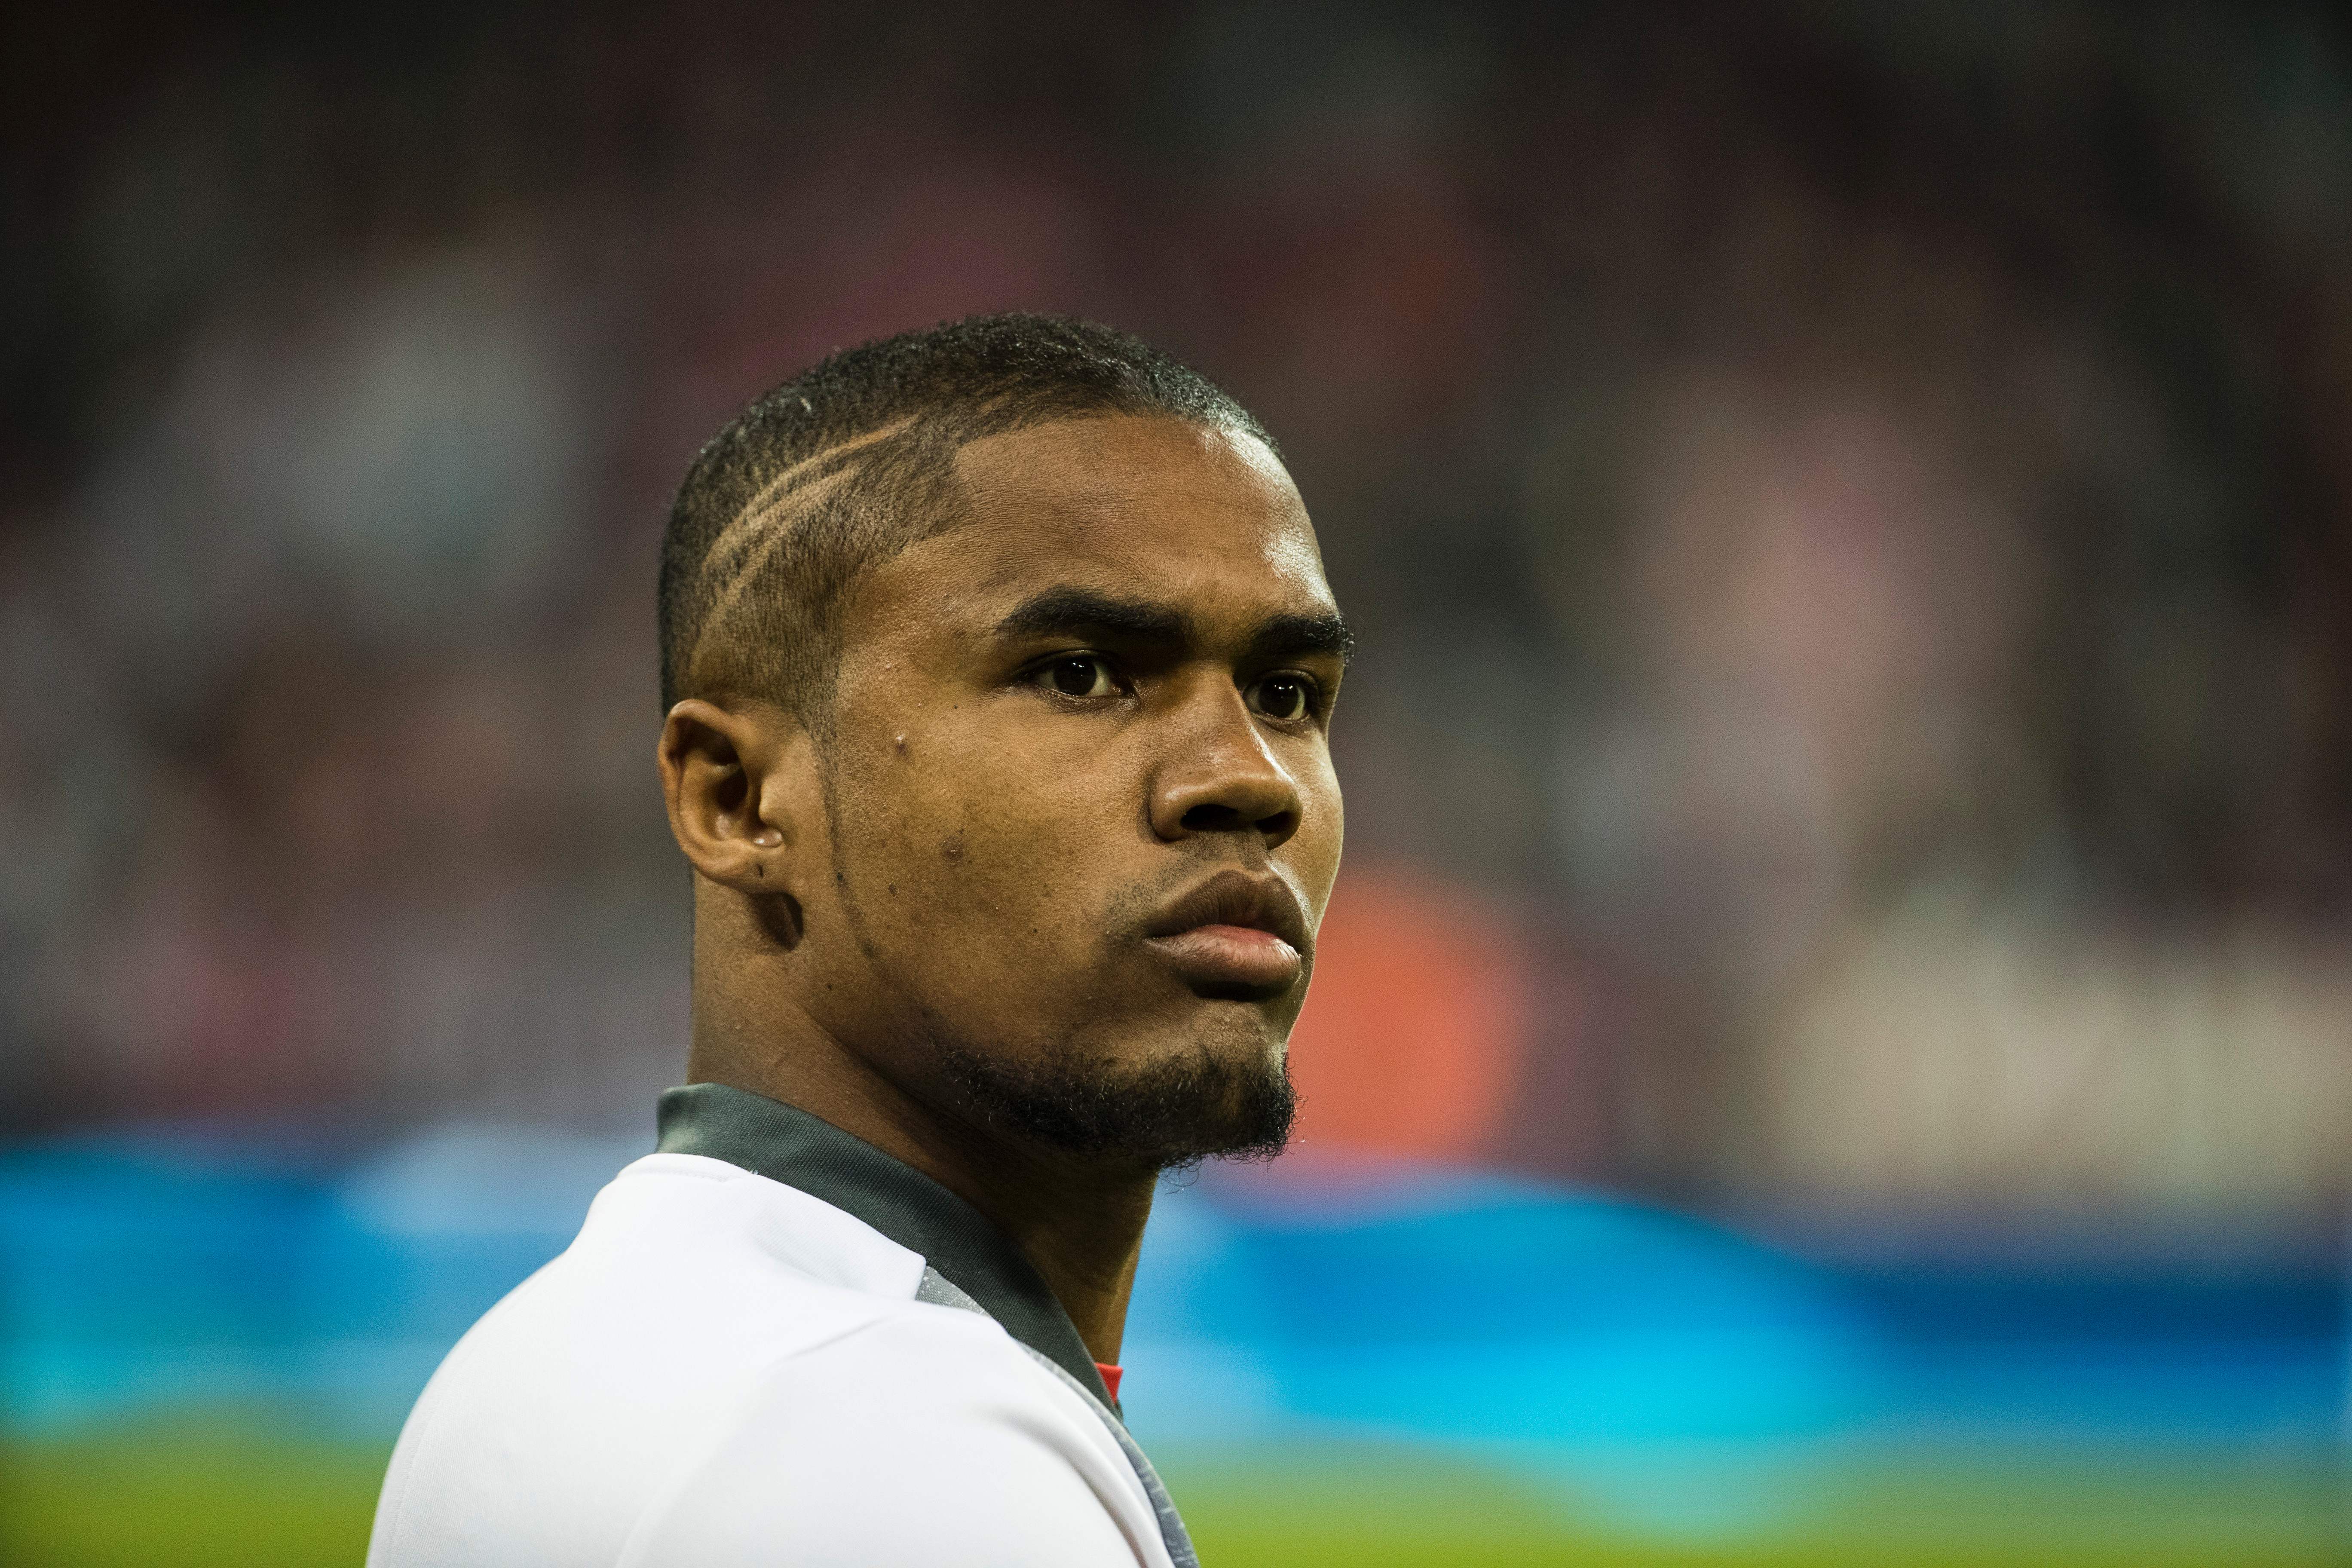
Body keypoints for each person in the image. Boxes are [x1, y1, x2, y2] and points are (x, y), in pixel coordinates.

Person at [367, 314, 1349, 1567]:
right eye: (1081, 673)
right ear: (738, 799)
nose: (1250, 779)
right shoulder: (895, 1458)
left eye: (1285, 694)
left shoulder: (573, 1354)